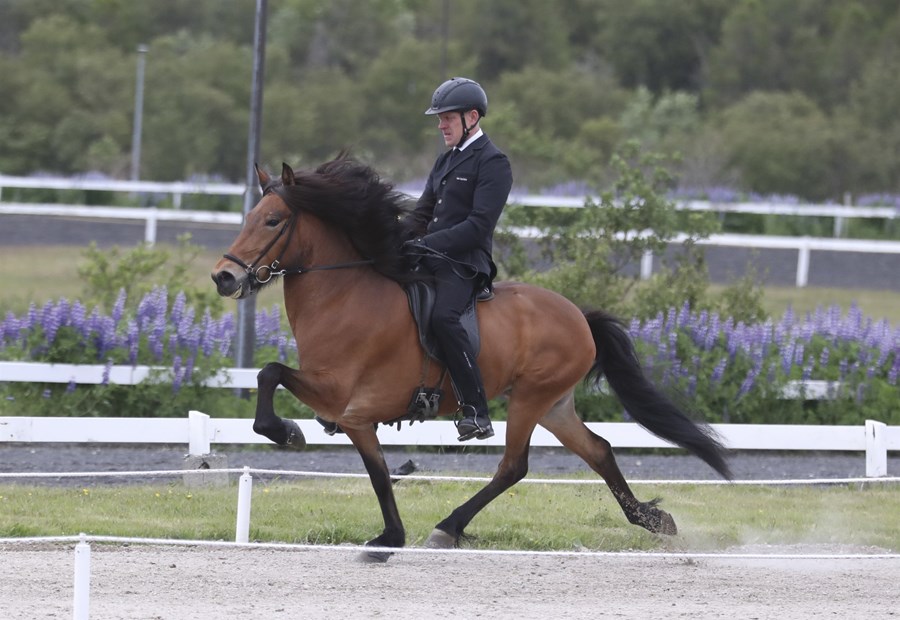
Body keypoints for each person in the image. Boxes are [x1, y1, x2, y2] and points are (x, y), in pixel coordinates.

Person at [404, 77, 513, 441]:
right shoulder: (444, 161)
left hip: (464, 263)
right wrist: (392, 240)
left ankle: (476, 410)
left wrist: (427, 244)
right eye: (439, 119)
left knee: (443, 317)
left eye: (447, 118)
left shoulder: (493, 162)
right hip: (429, 255)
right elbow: (422, 213)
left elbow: (478, 225)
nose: (440, 126)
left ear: (472, 117)